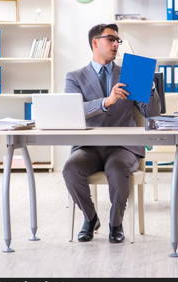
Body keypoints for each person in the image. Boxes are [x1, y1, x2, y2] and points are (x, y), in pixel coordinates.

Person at [63, 23, 161, 243]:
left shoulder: (130, 72)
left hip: (123, 146)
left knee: (117, 169)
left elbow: (152, 113)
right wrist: (107, 101)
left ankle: (116, 224)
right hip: (89, 147)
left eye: (118, 40)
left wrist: (150, 84)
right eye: (111, 39)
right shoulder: (74, 77)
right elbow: (75, 111)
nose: (116, 44)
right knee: (70, 169)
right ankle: (90, 218)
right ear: (95, 42)